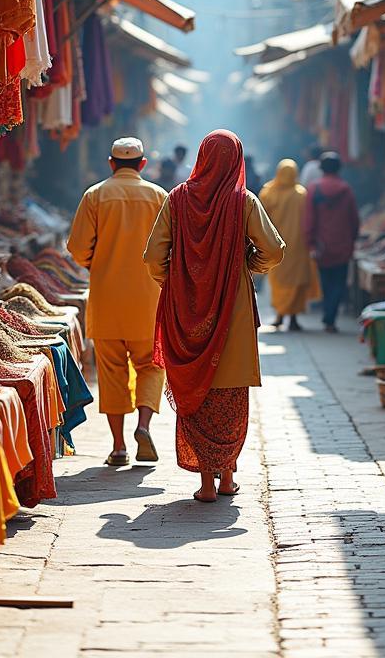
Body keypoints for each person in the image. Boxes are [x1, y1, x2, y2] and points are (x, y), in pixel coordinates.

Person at [144, 129, 284, 503]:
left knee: (196, 391)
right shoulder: (244, 202)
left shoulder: (176, 199)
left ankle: (206, 482)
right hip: (232, 312)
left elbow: (152, 258)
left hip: (186, 311)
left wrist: (174, 282)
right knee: (230, 394)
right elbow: (273, 250)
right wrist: (247, 266)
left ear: (202, 157)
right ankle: (226, 479)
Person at [67, 137, 167, 466]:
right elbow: (170, 248)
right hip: (148, 300)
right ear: (142, 164)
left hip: (107, 298)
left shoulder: (95, 195)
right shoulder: (158, 196)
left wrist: (99, 262)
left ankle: (119, 446)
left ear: (111, 163)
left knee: (112, 372)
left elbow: (78, 247)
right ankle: (143, 425)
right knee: (150, 366)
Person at [259, 159, 321, 331]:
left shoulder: (268, 192)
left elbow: (261, 219)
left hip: (276, 246)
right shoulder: (301, 194)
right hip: (298, 246)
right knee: (296, 282)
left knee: (278, 281)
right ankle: (292, 318)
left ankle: (279, 315)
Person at [304, 152, 359, 333]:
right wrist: (353, 238)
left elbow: (309, 219)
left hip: (321, 245)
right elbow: (353, 219)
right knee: (339, 282)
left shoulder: (314, 189)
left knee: (326, 281)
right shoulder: (346, 189)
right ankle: (331, 317)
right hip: (343, 244)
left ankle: (328, 315)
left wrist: (310, 242)